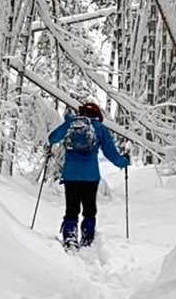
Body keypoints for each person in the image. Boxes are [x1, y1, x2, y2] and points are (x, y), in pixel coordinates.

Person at [46, 99, 129, 248]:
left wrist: (67, 123)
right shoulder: (99, 128)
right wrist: (124, 161)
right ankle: (87, 238)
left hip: (71, 175)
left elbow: (52, 138)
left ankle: (70, 237)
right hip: (90, 176)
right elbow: (111, 154)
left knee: (71, 209)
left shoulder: (71, 124)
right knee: (89, 210)